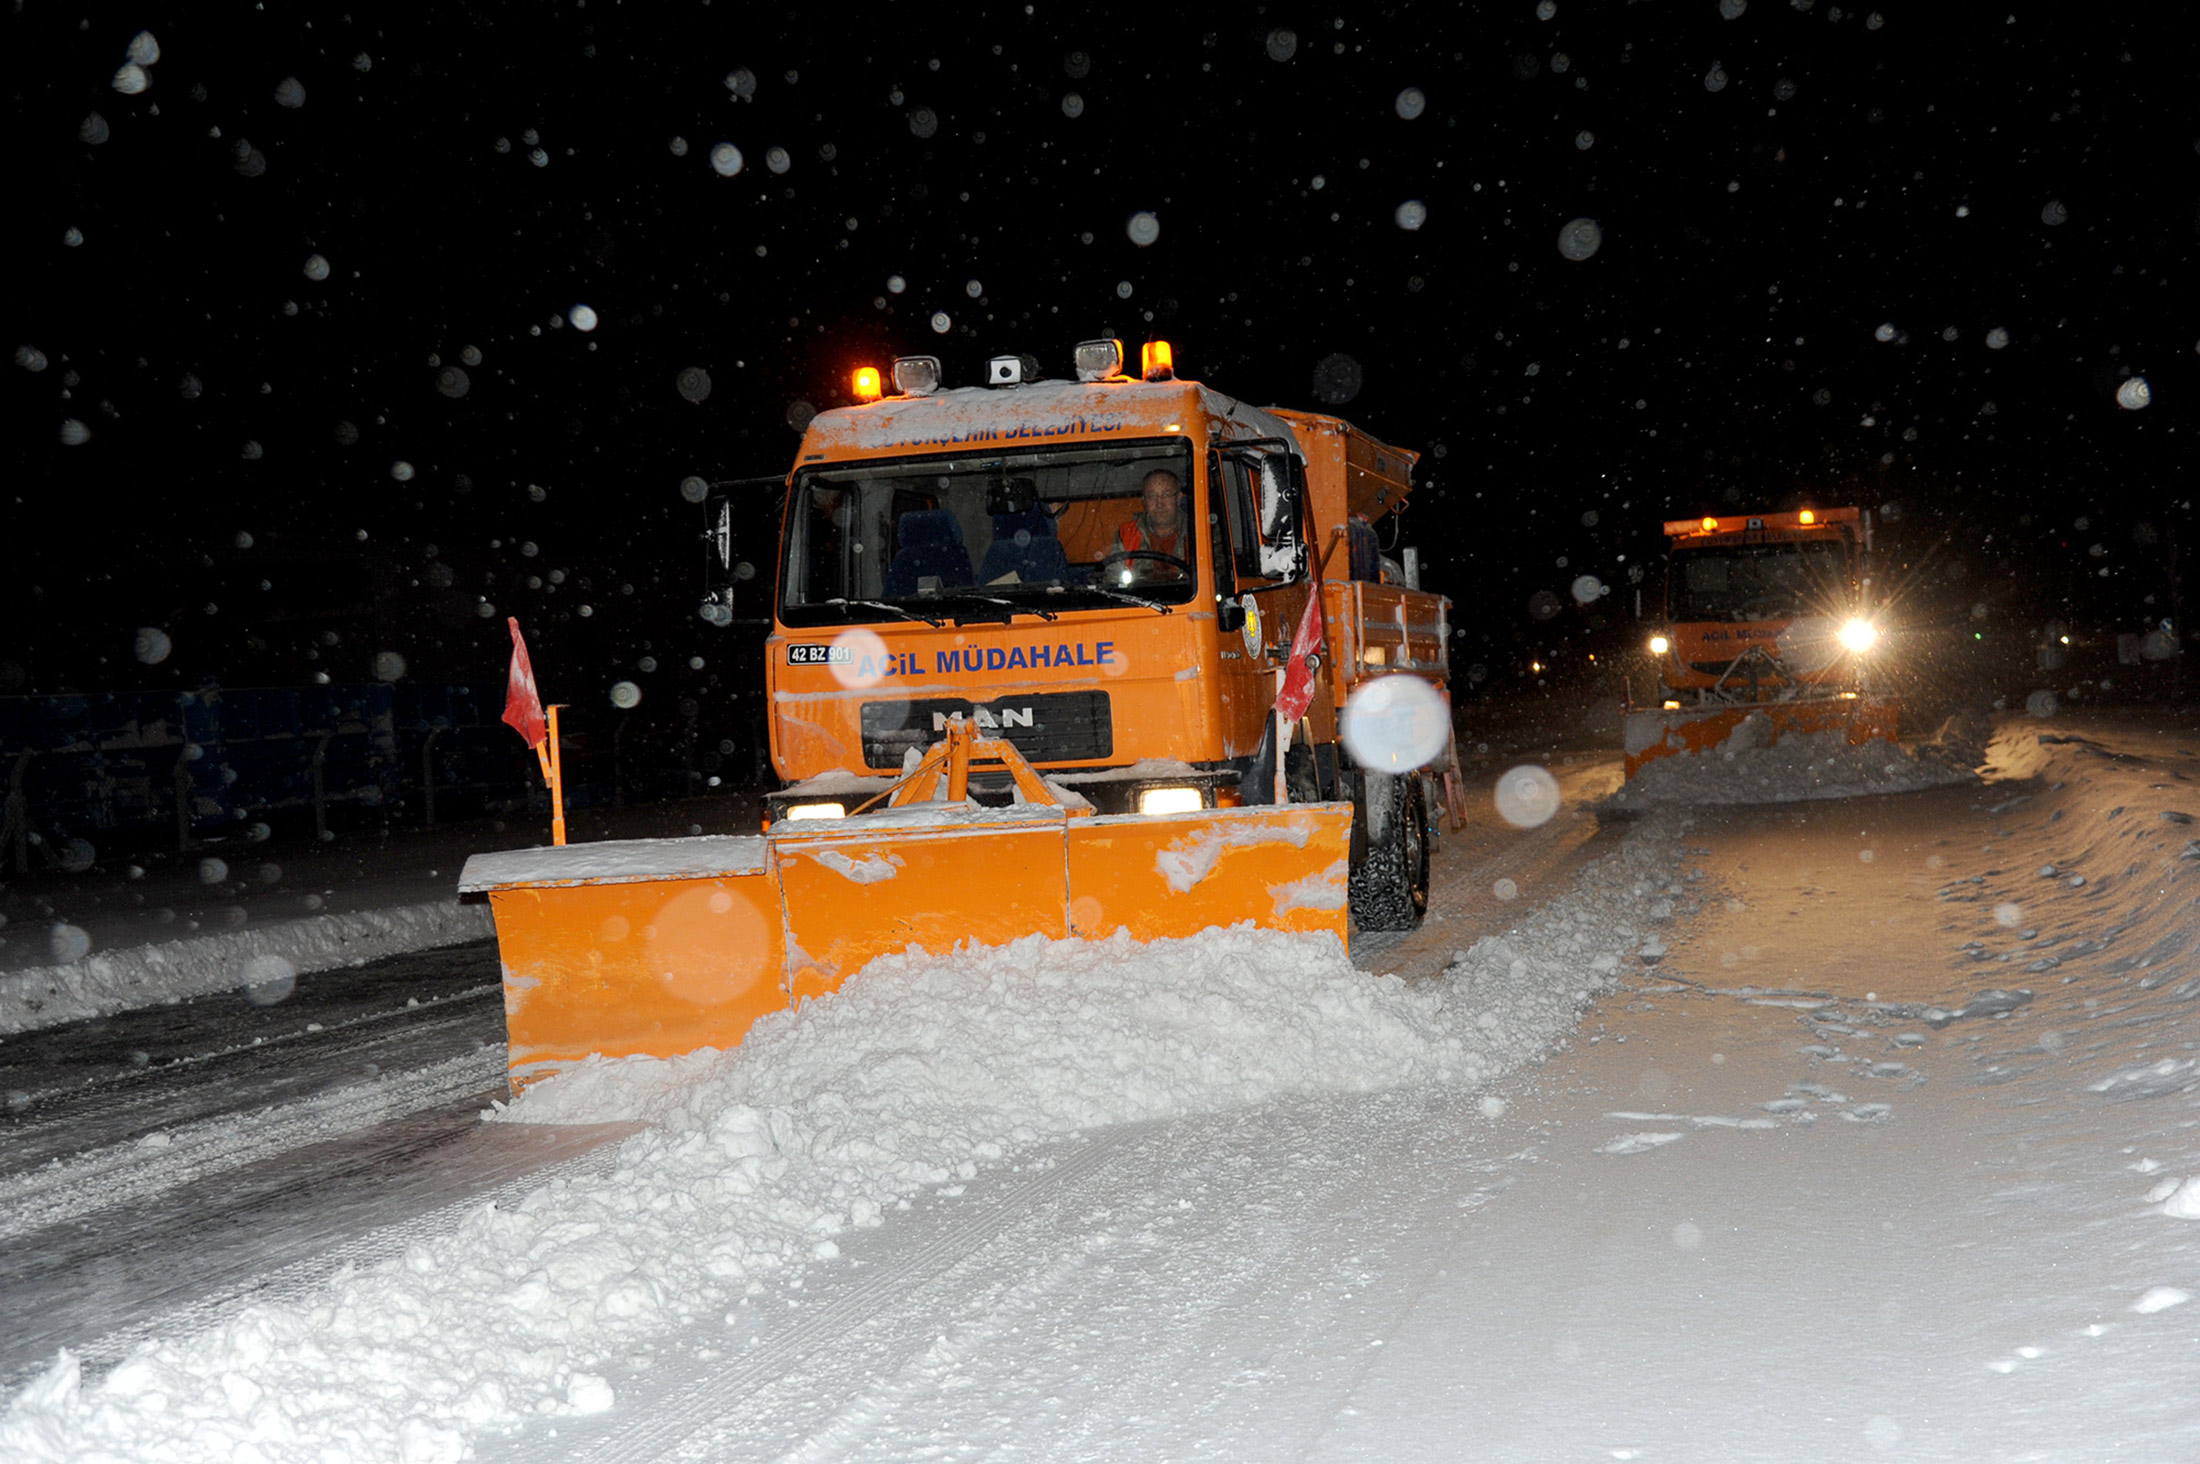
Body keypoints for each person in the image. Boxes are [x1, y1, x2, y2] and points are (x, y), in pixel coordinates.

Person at [1114, 468, 1191, 580]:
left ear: (1179, 498)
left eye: (1166, 495)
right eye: (1152, 496)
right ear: (1144, 501)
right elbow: (1113, 578)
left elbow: (1216, 574)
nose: (1159, 503)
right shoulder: (1125, 534)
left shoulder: (1200, 531)